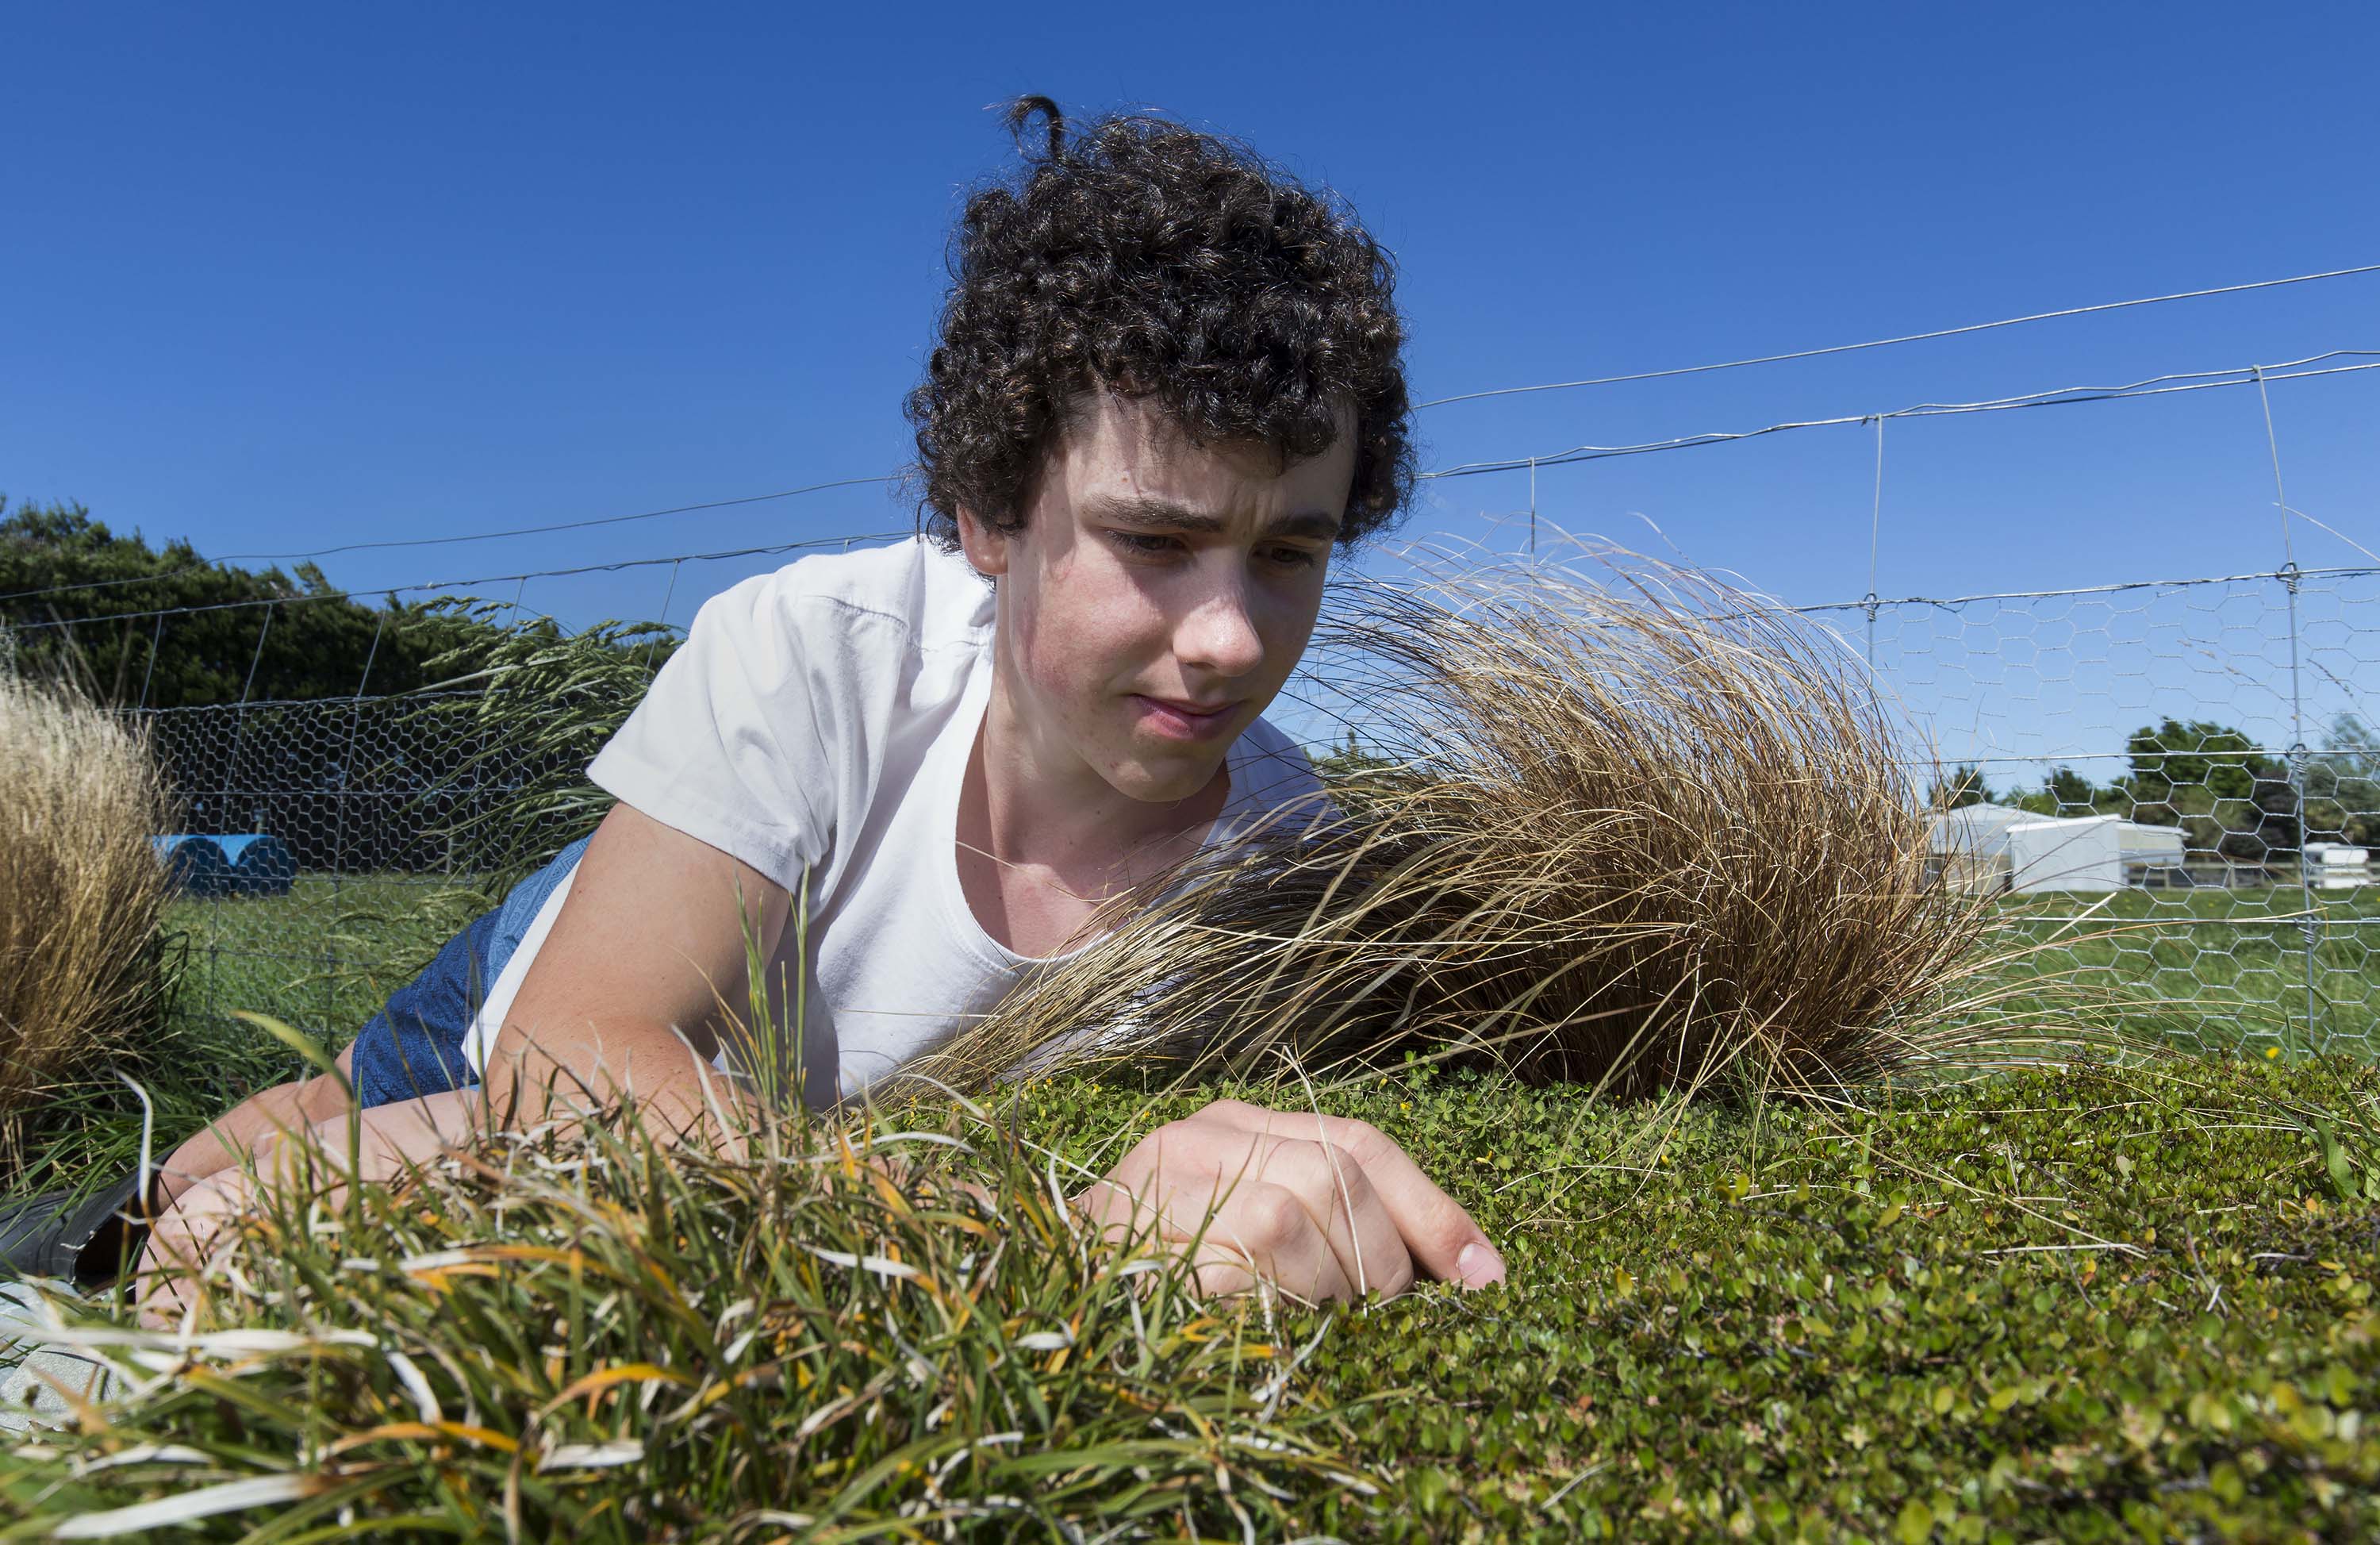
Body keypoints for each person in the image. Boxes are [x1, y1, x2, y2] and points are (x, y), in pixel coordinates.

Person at [125, 98, 1510, 1311]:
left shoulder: (1290, 856)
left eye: (1289, 553)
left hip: (742, 1085)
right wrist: (1017, 1247)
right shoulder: (818, 646)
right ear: (988, 516)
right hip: (557, 966)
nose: (1225, 639)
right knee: (255, 1168)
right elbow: (572, 1054)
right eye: (1152, 541)